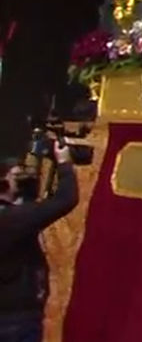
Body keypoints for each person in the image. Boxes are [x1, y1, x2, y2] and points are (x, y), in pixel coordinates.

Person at [0, 144, 78, 342]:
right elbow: (66, 199)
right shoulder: (13, 220)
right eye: (16, 178)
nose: (22, 182)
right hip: (15, 316)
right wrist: (64, 162)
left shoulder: (14, 217)